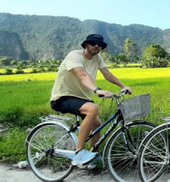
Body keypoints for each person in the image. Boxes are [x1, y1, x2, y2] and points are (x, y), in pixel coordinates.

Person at [50, 34, 132, 167]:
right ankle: (79, 153)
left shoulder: (97, 58)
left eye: (99, 45)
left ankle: (93, 156)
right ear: (86, 45)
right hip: (62, 97)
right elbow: (82, 75)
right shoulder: (74, 56)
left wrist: (123, 86)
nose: (96, 46)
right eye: (93, 43)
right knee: (93, 108)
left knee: (97, 125)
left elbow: (107, 74)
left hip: (82, 98)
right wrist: (97, 90)